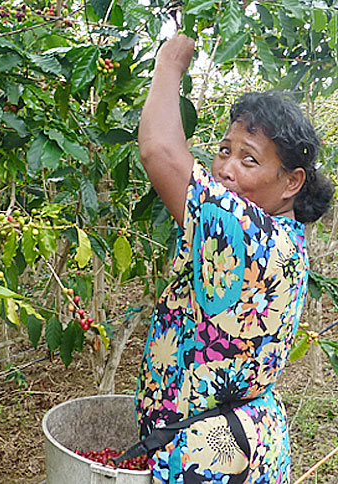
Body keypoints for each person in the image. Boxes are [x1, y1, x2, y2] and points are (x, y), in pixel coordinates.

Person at [132, 33, 334, 484]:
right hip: (245, 443)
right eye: (225, 150)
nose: (225, 168)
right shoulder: (288, 238)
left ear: (291, 183)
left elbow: (160, 151)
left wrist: (169, 62)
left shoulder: (247, 231)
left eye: (249, 159)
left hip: (210, 456)